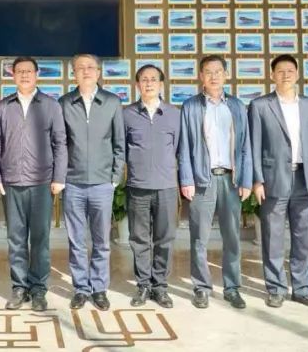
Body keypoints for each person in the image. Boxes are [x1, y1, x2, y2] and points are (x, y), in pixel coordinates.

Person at [249, 55, 308, 309]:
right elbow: (254, 145)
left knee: (304, 238)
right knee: (273, 237)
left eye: (290, 71)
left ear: (298, 74)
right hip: (273, 179)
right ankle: (276, 288)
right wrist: (257, 180)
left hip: (306, 178)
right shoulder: (260, 105)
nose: (285, 75)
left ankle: (303, 289)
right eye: (280, 71)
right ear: (272, 75)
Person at [0, 57, 67, 312]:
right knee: (16, 238)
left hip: (42, 182)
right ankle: (19, 287)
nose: (24, 75)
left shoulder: (51, 105)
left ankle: (39, 289)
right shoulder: (4, 106)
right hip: (12, 182)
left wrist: (59, 177)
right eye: (19, 71)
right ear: (12, 75)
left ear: (37, 74)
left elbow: (60, 143)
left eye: (29, 71)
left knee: (41, 239)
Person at [177, 55, 252, 309]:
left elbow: (245, 146)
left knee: (232, 237)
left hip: (231, 179)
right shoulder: (191, 106)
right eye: (208, 72)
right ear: (201, 76)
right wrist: (186, 179)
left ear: (226, 74)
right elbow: (185, 147)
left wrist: (246, 179)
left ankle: (232, 287)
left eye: (218, 71)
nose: (213, 76)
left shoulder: (237, 106)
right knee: (199, 237)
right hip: (203, 179)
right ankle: (201, 287)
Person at [59, 53, 126, 311]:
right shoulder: (65, 103)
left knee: (102, 241)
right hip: (73, 183)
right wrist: (61, 177)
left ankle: (99, 289)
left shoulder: (112, 102)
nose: (86, 71)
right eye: (80, 67)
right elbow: (59, 144)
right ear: (73, 73)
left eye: (90, 67)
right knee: (76, 240)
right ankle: (81, 289)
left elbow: (119, 144)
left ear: (98, 72)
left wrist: (114, 178)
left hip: (102, 184)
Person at [122, 64, 180, 309]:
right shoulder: (127, 114)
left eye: (153, 79)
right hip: (138, 186)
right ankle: (143, 285)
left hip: (166, 187)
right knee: (139, 239)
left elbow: (178, 149)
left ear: (161, 84)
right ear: (137, 85)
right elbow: (122, 149)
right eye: (144, 79)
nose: (148, 83)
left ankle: (160, 286)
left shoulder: (174, 114)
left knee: (165, 238)